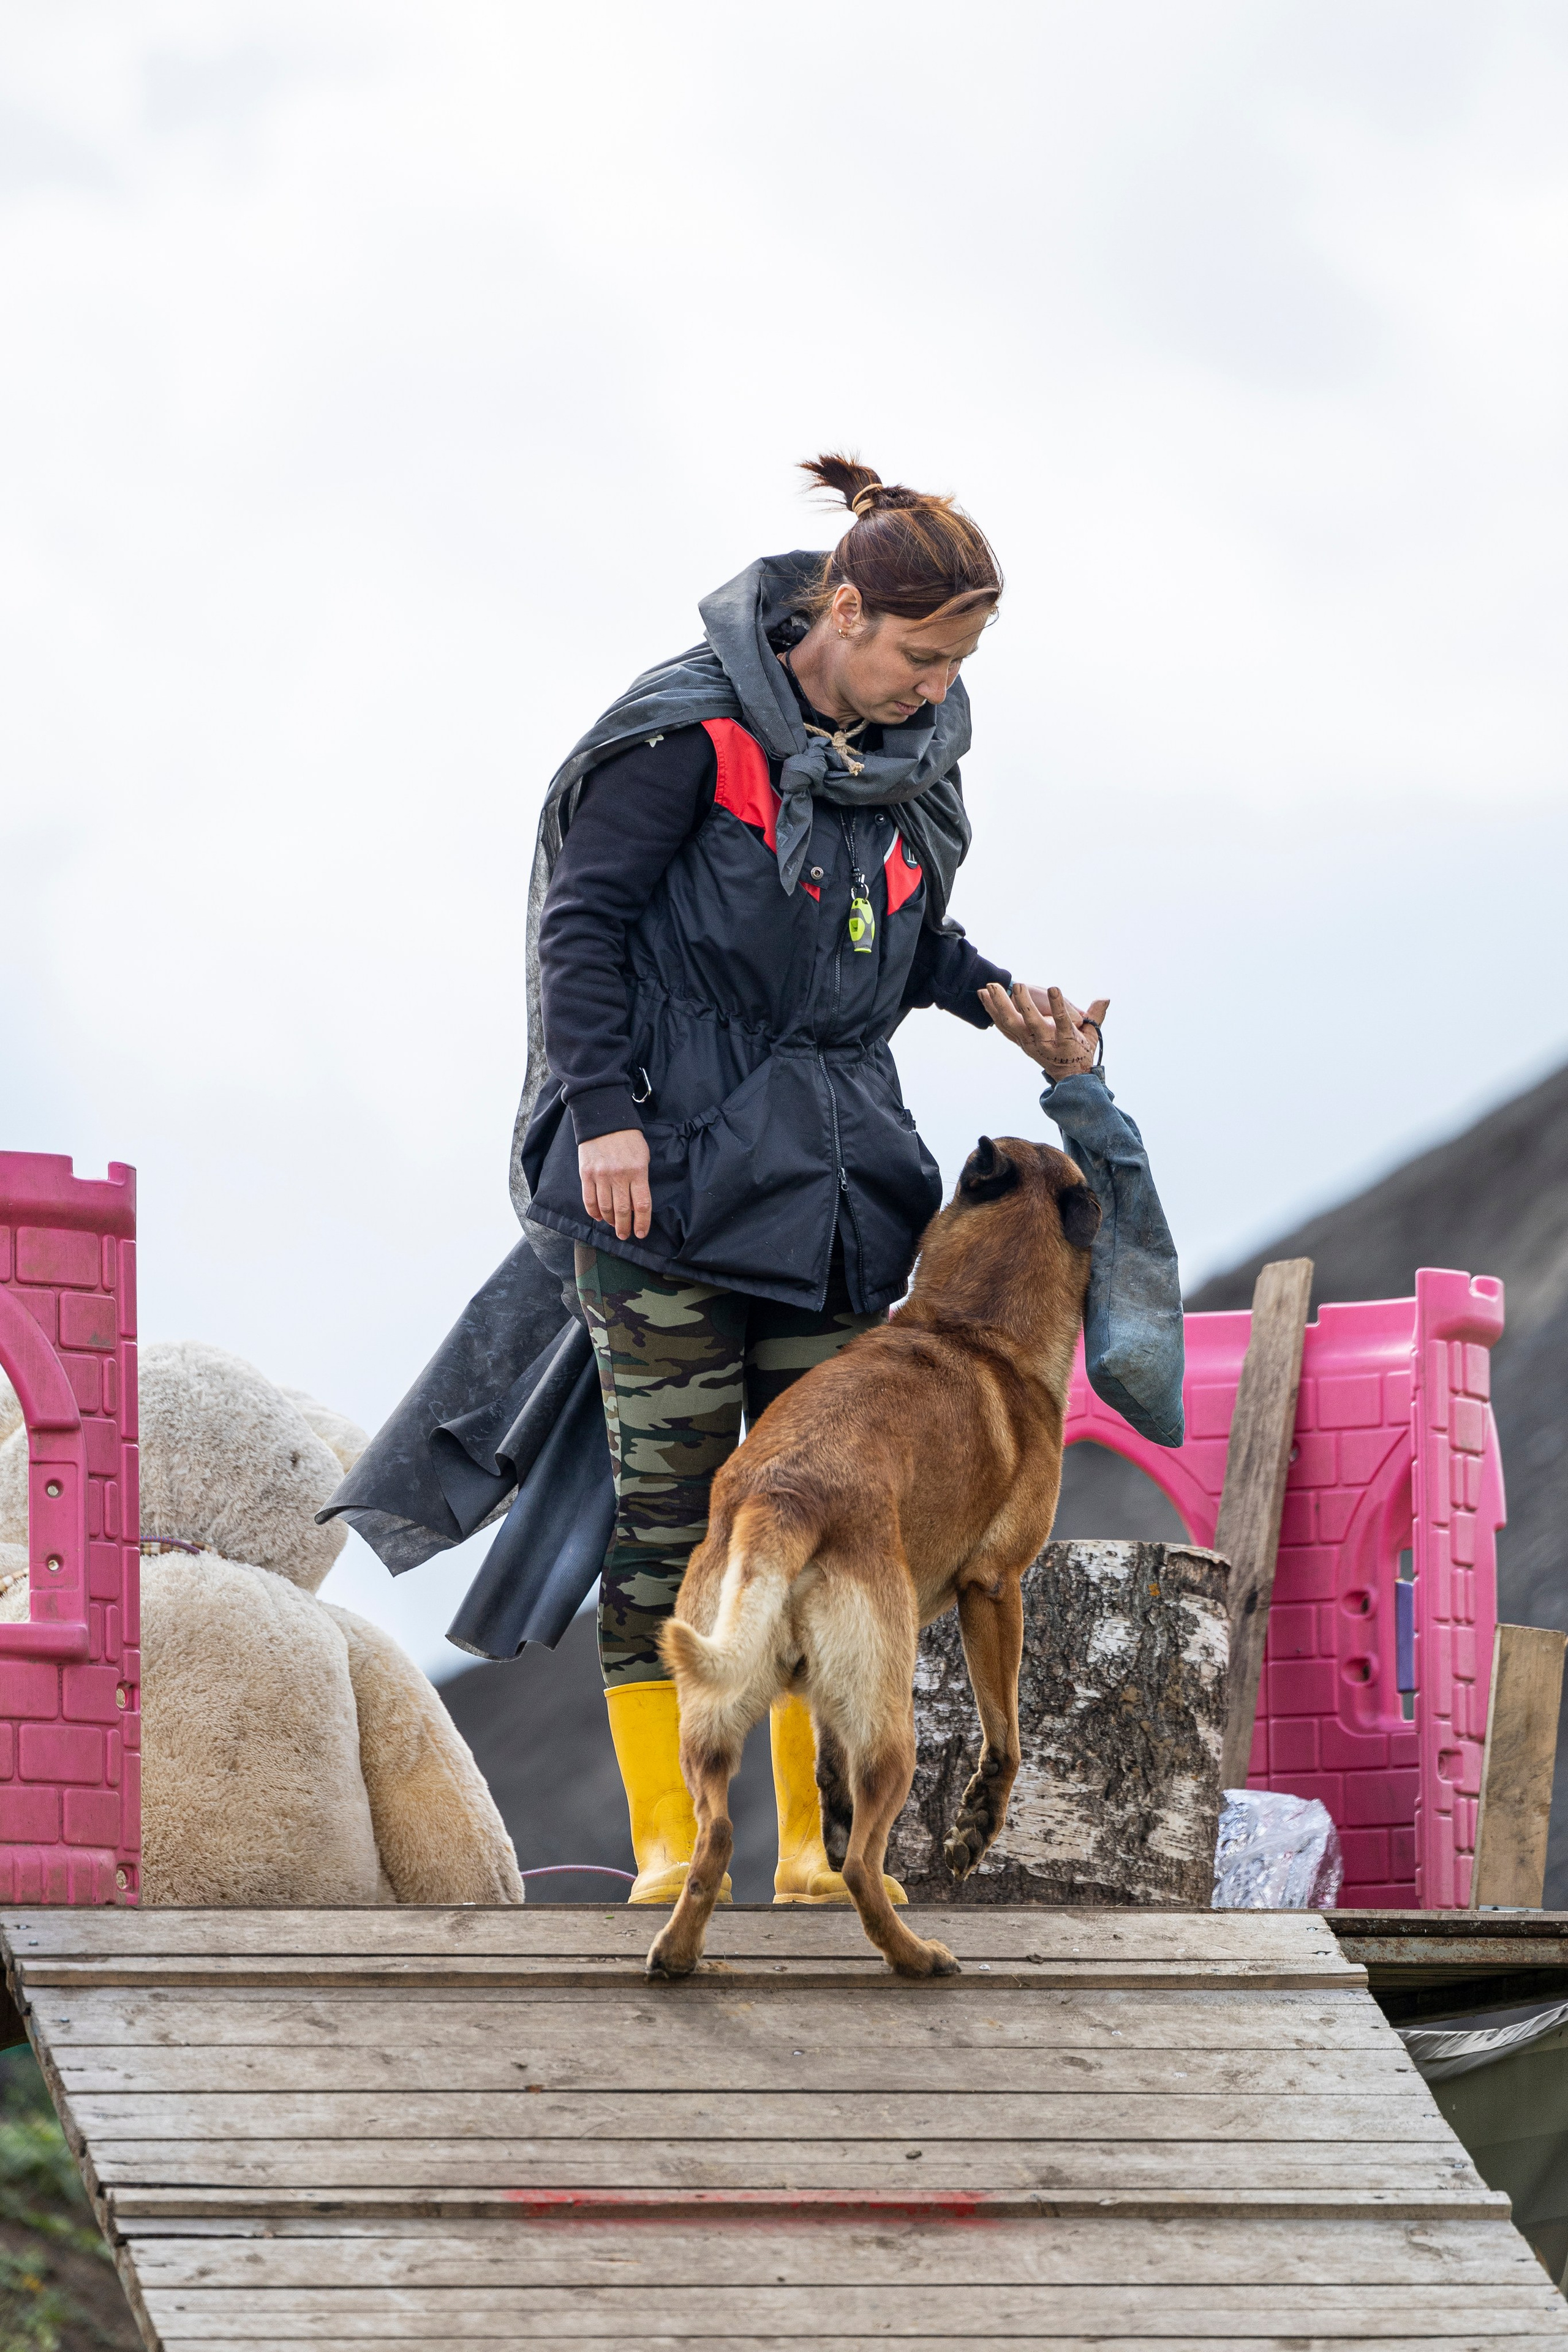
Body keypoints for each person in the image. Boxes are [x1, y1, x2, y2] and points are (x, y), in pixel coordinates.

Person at [512, 455, 1110, 1904]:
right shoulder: (686, 738)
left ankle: (808, 1848)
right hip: (655, 1188)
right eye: (919, 655)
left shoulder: (910, 773)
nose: (933, 689)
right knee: (674, 1517)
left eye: (958, 663)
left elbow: (895, 942)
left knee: (835, 1515)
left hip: (832, 1198)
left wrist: (994, 1000)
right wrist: (602, 1117)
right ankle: (669, 1839)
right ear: (837, 609)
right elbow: (580, 933)